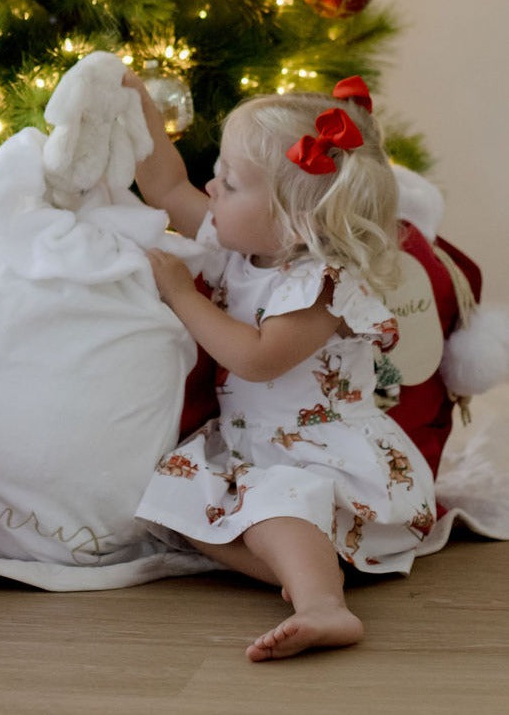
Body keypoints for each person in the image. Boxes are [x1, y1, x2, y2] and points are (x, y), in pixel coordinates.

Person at [125, 72, 436, 662]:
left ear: (297, 216)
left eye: (231, 181)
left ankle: (323, 604)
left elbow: (257, 360)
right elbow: (164, 186)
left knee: (281, 498)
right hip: (257, 450)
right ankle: (303, 567)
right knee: (173, 504)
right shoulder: (239, 246)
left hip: (327, 460)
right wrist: (135, 103)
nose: (211, 187)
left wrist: (181, 295)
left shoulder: (320, 284)